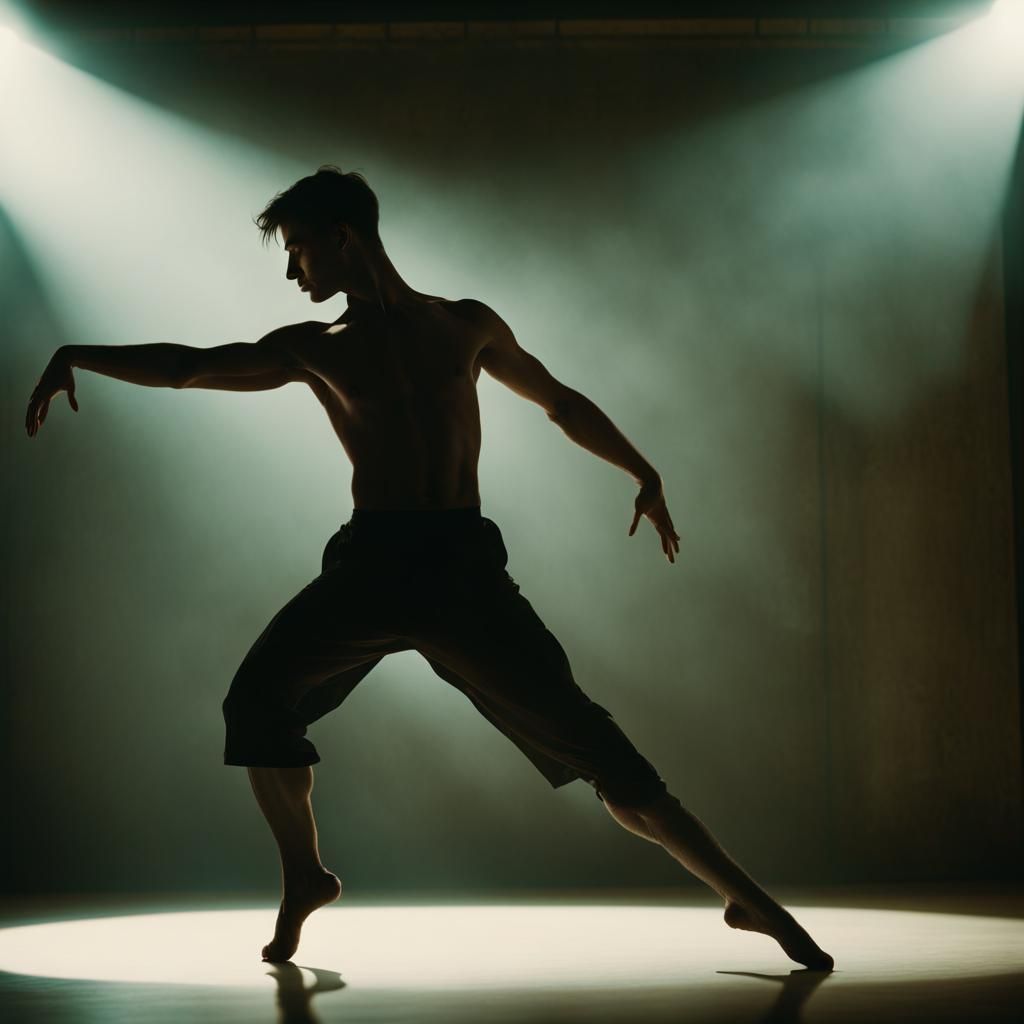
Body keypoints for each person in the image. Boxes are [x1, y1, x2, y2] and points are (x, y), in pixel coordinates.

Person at [25, 166, 833, 971]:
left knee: (598, 747)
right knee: (256, 702)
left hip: (460, 571)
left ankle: (743, 896)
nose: (290, 270)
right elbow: (190, 365)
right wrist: (78, 352)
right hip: (372, 566)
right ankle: (305, 874)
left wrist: (641, 469)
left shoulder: (463, 325)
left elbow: (557, 400)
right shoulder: (314, 349)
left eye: (299, 249)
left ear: (344, 237)